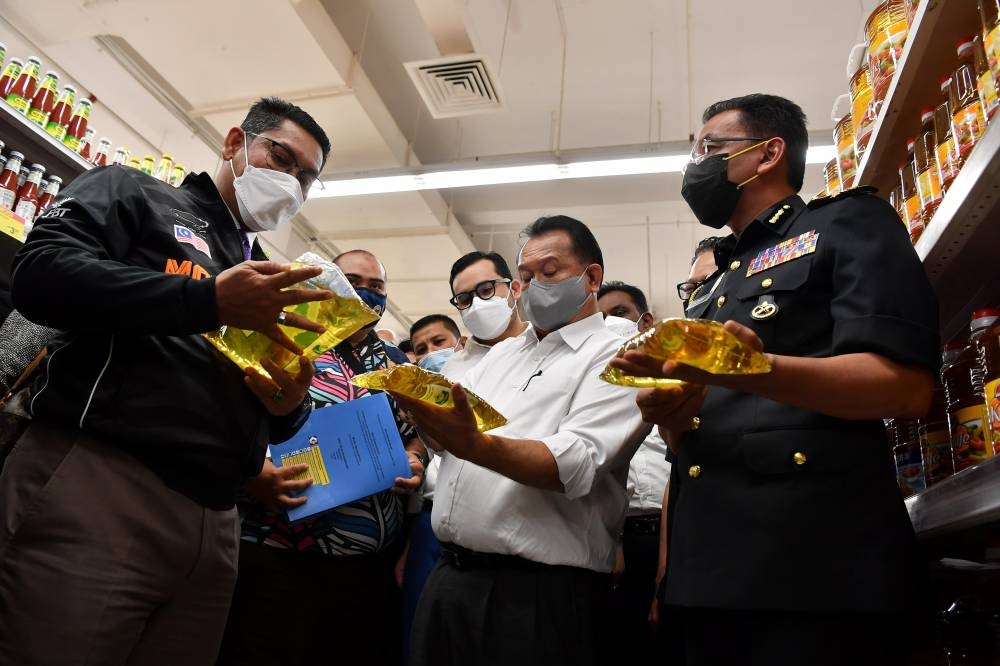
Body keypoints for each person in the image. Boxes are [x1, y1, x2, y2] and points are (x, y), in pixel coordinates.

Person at [1, 97, 333, 665]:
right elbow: (40, 275)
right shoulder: (133, 192)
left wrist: (288, 403)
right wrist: (207, 299)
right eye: (281, 157)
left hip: (217, 524)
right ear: (235, 144)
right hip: (103, 486)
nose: (291, 184)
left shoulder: (266, 276)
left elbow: (259, 405)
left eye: (306, 179)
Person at [611, 93, 939, 666]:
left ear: (769, 154)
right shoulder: (714, 284)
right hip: (707, 575)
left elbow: (903, 387)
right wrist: (670, 410)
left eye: (711, 146)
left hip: (815, 572)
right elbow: (695, 438)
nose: (697, 162)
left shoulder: (845, 223)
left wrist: (759, 371)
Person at [402, 215, 649, 666]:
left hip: (538, 593)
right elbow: (450, 440)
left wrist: (473, 444)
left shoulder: (620, 353)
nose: (534, 287)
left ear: (591, 277)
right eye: (526, 277)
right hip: (452, 578)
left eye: (550, 272)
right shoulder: (503, 354)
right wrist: (423, 417)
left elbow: (576, 462)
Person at [219, 249, 427, 666]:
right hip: (278, 550)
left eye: (376, 286)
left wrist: (415, 459)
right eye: (352, 281)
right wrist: (253, 473)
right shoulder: (279, 338)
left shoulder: (394, 363)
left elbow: (416, 436)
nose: (364, 293)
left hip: (368, 567)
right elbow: (225, 420)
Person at [399, 252, 531, 660]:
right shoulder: (453, 369)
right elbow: (441, 450)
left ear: (514, 288)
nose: (476, 303)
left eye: (485, 290)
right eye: (464, 299)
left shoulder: (542, 354)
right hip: (450, 548)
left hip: (521, 554)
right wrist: (419, 416)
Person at [596, 280, 668, 661]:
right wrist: (617, 543)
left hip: (669, 536)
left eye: (619, 313)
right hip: (619, 541)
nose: (609, 322)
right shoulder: (595, 392)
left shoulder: (677, 385)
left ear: (645, 321)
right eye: (600, 316)